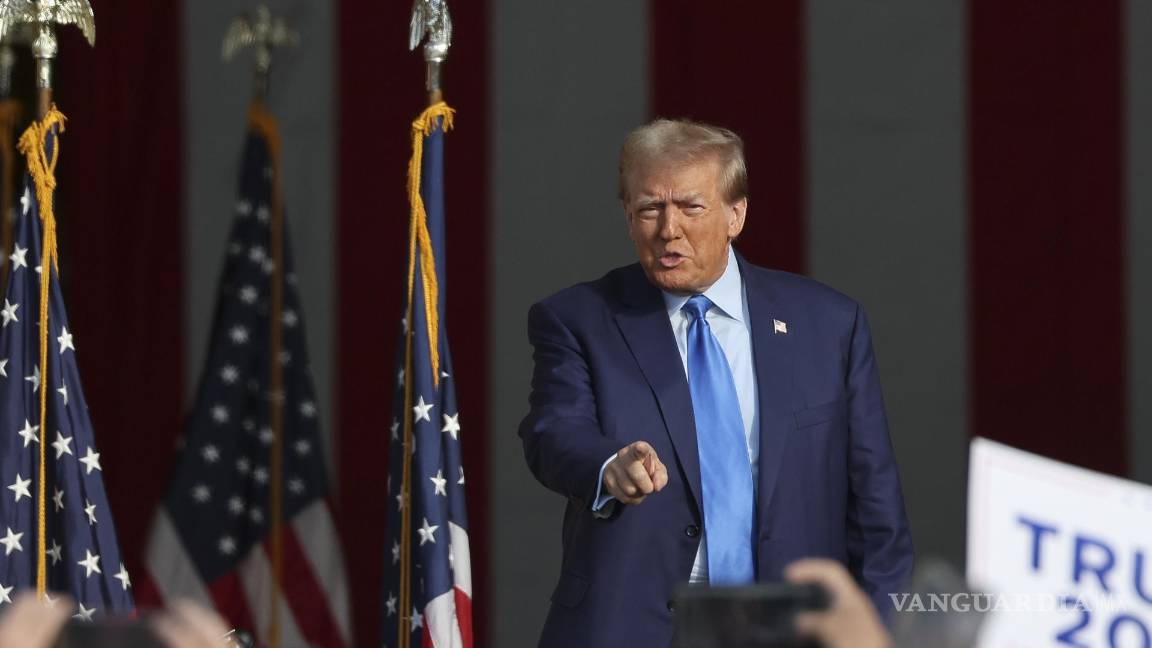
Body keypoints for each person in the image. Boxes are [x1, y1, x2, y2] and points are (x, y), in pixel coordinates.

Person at [519, 119, 914, 647]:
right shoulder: (578, 319)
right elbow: (553, 432)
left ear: (736, 214)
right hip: (632, 626)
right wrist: (609, 467)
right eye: (648, 210)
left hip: (791, 625)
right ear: (627, 216)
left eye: (690, 207)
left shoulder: (828, 324)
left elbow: (876, 510)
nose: (668, 229)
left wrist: (878, 633)